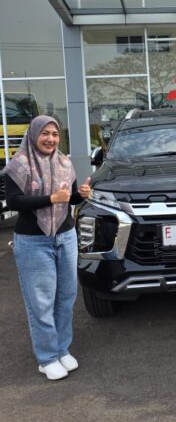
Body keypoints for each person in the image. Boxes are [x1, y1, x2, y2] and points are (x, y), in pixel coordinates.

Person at [5, 115, 91, 380]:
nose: (50, 139)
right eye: (45, 133)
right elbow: (14, 202)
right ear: (33, 135)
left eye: (54, 134)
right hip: (33, 241)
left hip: (65, 237)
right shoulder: (19, 165)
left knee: (66, 298)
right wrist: (51, 198)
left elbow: (69, 199)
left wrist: (80, 195)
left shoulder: (65, 163)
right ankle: (47, 357)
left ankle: (62, 349)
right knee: (41, 302)